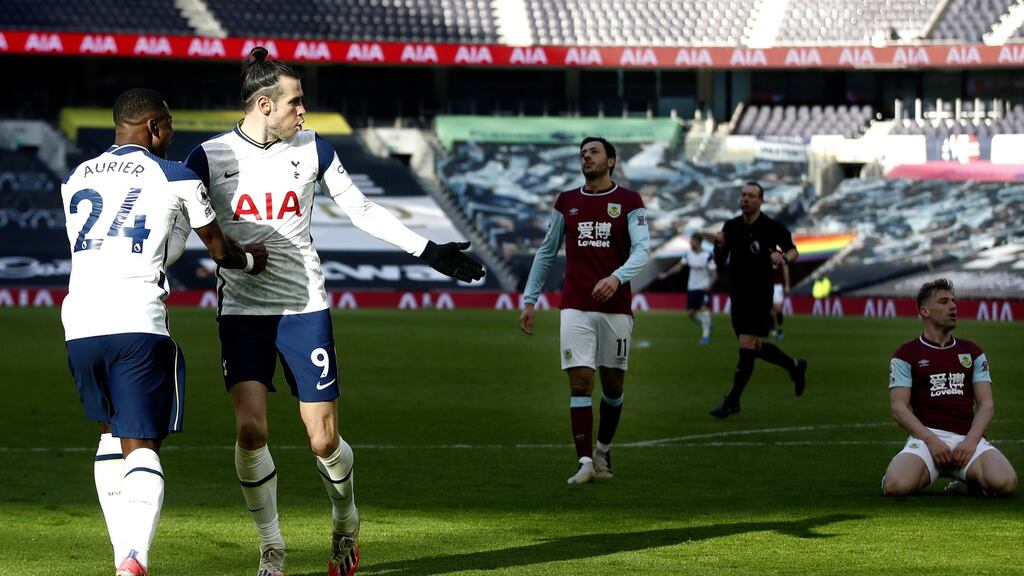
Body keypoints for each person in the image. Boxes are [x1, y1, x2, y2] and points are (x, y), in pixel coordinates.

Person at [183, 47, 484, 576]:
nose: (304, 111)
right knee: (251, 431)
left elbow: (361, 209)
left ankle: (346, 517)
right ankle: (271, 546)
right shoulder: (209, 157)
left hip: (304, 306)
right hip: (243, 312)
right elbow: (175, 216)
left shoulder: (313, 149)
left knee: (322, 439)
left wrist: (427, 250)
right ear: (263, 104)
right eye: (295, 102)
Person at [61, 88, 267, 576]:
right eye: (169, 126)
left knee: (110, 438)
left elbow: (118, 245)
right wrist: (254, 258)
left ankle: (121, 559)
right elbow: (219, 251)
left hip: (79, 325)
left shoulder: (75, 178)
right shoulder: (175, 175)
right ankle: (137, 557)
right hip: (137, 324)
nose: (172, 136)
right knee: (142, 446)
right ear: (154, 127)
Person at [519, 136, 650, 485]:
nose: (586, 157)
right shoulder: (567, 202)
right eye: (582, 153)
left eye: (593, 152)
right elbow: (547, 252)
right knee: (580, 382)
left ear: (611, 161)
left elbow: (642, 250)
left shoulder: (629, 201)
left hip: (616, 308)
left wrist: (616, 277)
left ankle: (603, 449)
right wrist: (530, 300)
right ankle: (585, 461)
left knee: (612, 385)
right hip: (575, 305)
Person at [881, 278, 1017, 497]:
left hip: (966, 439)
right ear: (925, 311)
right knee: (896, 486)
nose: (953, 306)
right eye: (944, 302)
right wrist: (931, 440)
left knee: (1005, 483)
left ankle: (963, 476)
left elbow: (986, 405)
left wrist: (971, 441)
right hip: (927, 438)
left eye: (953, 301)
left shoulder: (972, 352)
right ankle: (908, 468)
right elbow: (899, 408)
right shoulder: (906, 355)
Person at [709, 181, 807, 418]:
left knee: (746, 344)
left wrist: (782, 258)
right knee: (750, 347)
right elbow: (721, 264)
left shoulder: (771, 227)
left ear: (761, 201)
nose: (746, 199)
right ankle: (794, 366)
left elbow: (794, 251)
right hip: (738, 293)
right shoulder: (731, 226)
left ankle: (732, 401)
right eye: (743, 195)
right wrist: (718, 247)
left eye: (751, 196)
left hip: (760, 293)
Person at [658, 234, 716, 344]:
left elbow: (714, 274)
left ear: (699, 242)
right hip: (692, 287)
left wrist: (710, 284)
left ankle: (705, 337)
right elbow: (679, 267)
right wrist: (666, 274)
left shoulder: (707, 256)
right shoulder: (688, 255)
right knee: (690, 314)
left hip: (704, 287)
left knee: (704, 309)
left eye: (692, 241)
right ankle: (707, 324)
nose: (690, 243)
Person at [768, 260, 789, 340]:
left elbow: (785, 268)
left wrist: (787, 284)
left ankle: (780, 329)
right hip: (766, 284)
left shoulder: (779, 253)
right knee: (768, 309)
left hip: (777, 285)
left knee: (778, 309)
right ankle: (773, 332)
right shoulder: (763, 253)